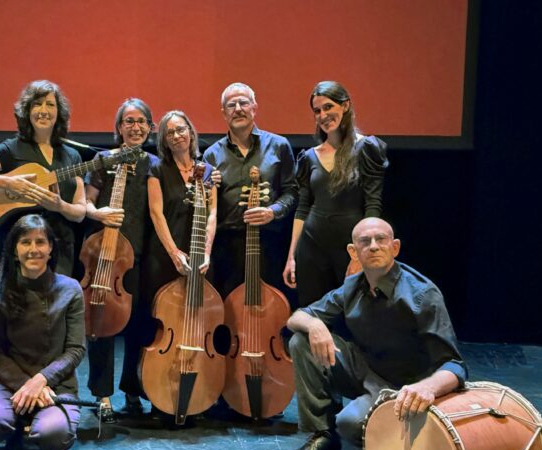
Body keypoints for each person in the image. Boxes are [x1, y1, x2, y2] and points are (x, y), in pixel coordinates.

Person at [285, 218, 467, 450]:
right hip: (366, 369)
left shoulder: (422, 295)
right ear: (353, 252)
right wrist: (315, 324)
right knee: (301, 340)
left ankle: (386, 434)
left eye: (381, 239)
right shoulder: (353, 286)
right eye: (365, 241)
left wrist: (428, 388)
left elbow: (455, 365)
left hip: (403, 387)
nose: (373, 246)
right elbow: (296, 318)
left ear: (395, 247)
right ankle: (324, 436)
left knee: (350, 424)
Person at [0, 214, 85, 450]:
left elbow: (75, 349)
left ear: (51, 248)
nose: (34, 249)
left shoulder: (70, 289)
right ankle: (19, 421)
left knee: (53, 435)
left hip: (56, 386)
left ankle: (32, 422)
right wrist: (27, 386)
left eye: (40, 242)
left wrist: (41, 380)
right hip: (12, 384)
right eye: (25, 242)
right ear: (14, 250)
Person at [0, 79, 86, 275]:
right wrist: (8, 183)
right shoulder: (11, 148)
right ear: (27, 111)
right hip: (18, 246)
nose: (43, 110)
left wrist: (59, 206)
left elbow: (80, 211)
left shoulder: (72, 156)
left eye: (50, 104)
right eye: (37, 104)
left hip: (60, 246)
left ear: (59, 112)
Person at [83, 98, 158, 422]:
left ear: (150, 127)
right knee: (99, 327)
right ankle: (102, 395)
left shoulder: (154, 164)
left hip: (138, 257)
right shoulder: (103, 160)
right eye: (129, 121)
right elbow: (86, 203)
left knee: (138, 326)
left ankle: (132, 390)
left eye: (141, 121)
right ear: (118, 128)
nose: (135, 127)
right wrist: (99, 212)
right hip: (102, 257)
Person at [284, 81, 389, 307]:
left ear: (345, 106)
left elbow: (373, 206)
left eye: (328, 107)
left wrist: (361, 256)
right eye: (317, 111)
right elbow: (303, 208)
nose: (323, 115)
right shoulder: (309, 157)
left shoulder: (367, 149)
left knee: (354, 315)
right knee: (312, 316)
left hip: (351, 248)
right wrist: (292, 256)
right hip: (311, 249)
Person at [203, 82, 297, 299]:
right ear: (223, 113)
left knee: (270, 309)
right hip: (226, 245)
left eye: (243, 102)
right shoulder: (211, 155)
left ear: (254, 107)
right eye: (231, 105)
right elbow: (207, 204)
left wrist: (272, 211)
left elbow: (292, 192)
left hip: (269, 243)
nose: (238, 109)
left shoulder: (279, 145)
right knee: (227, 313)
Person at [145, 110, 217, 294]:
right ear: (165, 141)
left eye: (180, 129)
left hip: (199, 256)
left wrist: (206, 253)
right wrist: (174, 253)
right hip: (166, 255)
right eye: (170, 133)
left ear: (191, 133)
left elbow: (212, 214)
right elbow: (156, 213)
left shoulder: (207, 170)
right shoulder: (157, 170)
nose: (176, 136)